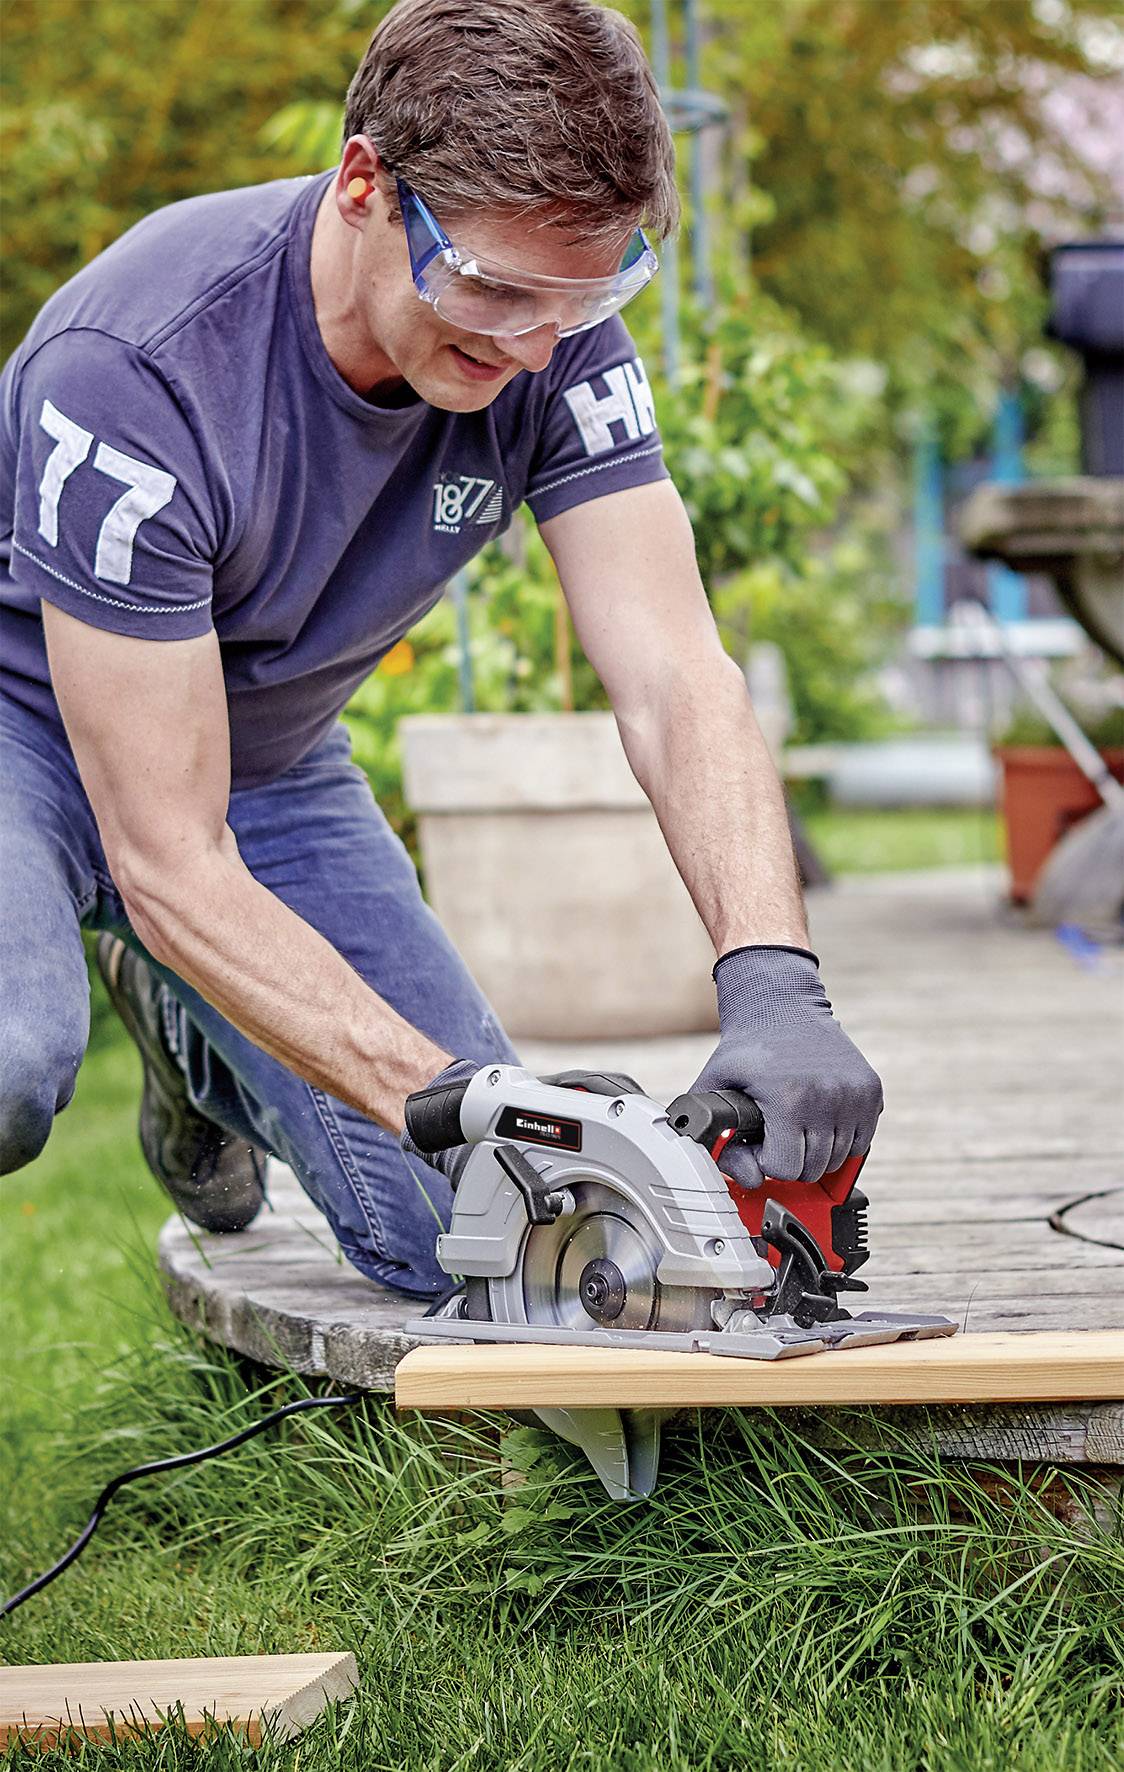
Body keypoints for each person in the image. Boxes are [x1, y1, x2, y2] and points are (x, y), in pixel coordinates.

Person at [0, 0, 882, 1297]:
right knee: (12, 1061)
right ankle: (166, 958)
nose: (532, 344)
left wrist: (774, 980)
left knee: (501, 1229)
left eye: (584, 294)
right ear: (365, 182)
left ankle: (192, 1034)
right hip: (29, 735)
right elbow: (169, 853)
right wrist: (448, 1089)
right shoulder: (146, 365)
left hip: (264, 761)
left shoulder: (556, 338)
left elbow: (674, 675)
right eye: (493, 287)